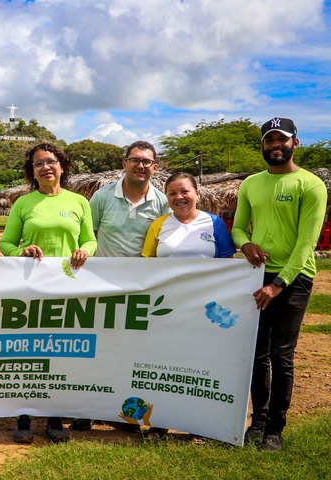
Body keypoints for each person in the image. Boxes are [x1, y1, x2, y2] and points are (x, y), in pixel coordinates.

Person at [231, 117, 327, 452]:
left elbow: (306, 243)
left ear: (295, 143)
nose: (275, 145)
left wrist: (279, 283)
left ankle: (275, 430)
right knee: (256, 353)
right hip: (256, 274)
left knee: (281, 354)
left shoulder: (311, 184)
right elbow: (239, 228)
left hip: (294, 277)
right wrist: (245, 245)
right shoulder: (250, 184)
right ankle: (257, 422)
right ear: (262, 145)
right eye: (269, 140)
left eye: (281, 140)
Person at [0, 142, 96, 443]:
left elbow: (90, 240)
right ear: (32, 171)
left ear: (62, 166)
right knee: (27, 352)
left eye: (51, 161)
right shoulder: (23, 204)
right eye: (39, 164)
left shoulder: (79, 202)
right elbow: (5, 244)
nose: (46, 167)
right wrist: (22, 250)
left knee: (59, 353)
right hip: (30, 289)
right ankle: (24, 417)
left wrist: (84, 251)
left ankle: (55, 419)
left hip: (67, 289)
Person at [140, 171, 236, 442]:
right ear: (167, 197)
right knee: (163, 364)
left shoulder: (214, 223)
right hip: (166, 308)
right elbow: (146, 265)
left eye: (184, 191)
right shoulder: (159, 225)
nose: (179, 197)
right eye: (172, 193)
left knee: (201, 365)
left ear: (196, 192)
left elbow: (227, 265)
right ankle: (159, 423)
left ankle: (199, 426)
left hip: (205, 309)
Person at [84, 140, 168, 434]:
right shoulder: (103, 197)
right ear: (125, 164)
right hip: (102, 287)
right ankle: (89, 408)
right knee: (99, 349)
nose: (141, 166)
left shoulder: (162, 202)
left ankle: (125, 413)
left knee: (134, 352)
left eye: (147, 161)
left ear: (154, 167)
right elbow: (88, 236)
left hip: (142, 290)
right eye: (135, 160)